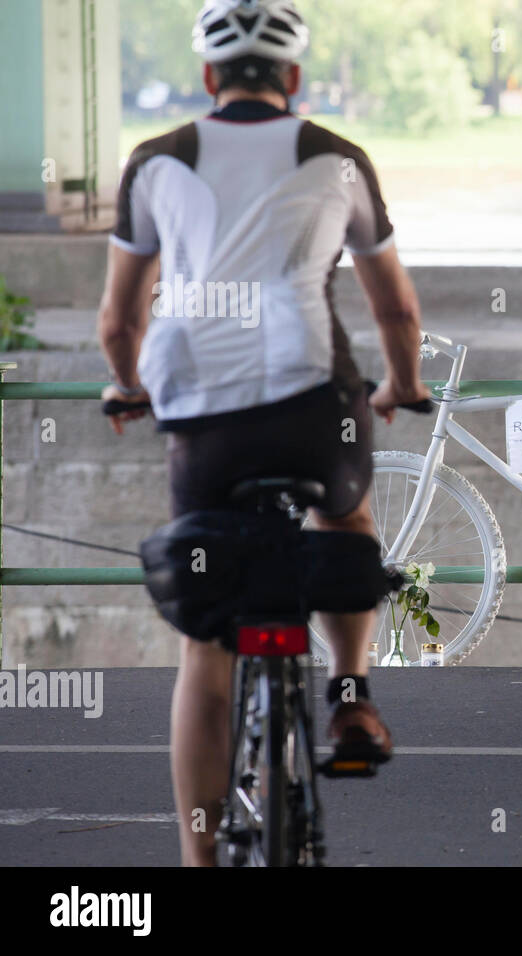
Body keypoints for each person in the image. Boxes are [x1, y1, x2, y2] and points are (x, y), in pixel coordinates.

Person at [97, 0, 432, 865]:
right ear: (294, 80)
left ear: (209, 78)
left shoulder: (154, 161)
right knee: (345, 520)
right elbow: (395, 304)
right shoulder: (338, 158)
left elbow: (118, 323)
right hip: (315, 407)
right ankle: (352, 694)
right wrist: (403, 383)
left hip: (203, 419)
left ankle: (199, 859)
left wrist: (129, 388)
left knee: (206, 646)